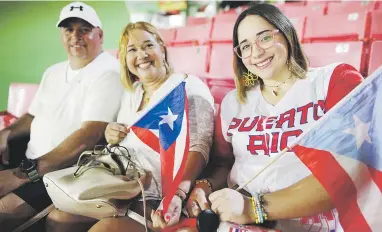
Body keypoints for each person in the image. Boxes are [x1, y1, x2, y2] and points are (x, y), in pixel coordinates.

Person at [185, 3, 363, 231]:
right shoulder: (233, 102)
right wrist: (204, 186)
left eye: (265, 38)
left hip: (312, 223)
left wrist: (253, 208)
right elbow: (224, 163)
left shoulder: (334, 81)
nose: (256, 52)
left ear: (286, 33)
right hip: (240, 221)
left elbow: (347, 173)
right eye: (245, 46)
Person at [46, 21, 215, 232]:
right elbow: (121, 136)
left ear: (162, 48)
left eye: (148, 46)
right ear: (125, 60)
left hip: (153, 196)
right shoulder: (132, 92)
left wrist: (178, 195)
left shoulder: (187, 85)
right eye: (132, 50)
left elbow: (199, 147)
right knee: (56, 219)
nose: (141, 55)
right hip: (117, 184)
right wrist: (111, 133)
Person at [0, 1, 123, 231]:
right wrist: (6, 132)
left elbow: (89, 136)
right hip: (29, 161)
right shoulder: (53, 71)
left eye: (84, 29)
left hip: (63, 172)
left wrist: (20, 176)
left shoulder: (109, 72)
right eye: (69, 29)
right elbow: (32, 115)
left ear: (100, 34)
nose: (75, 36)